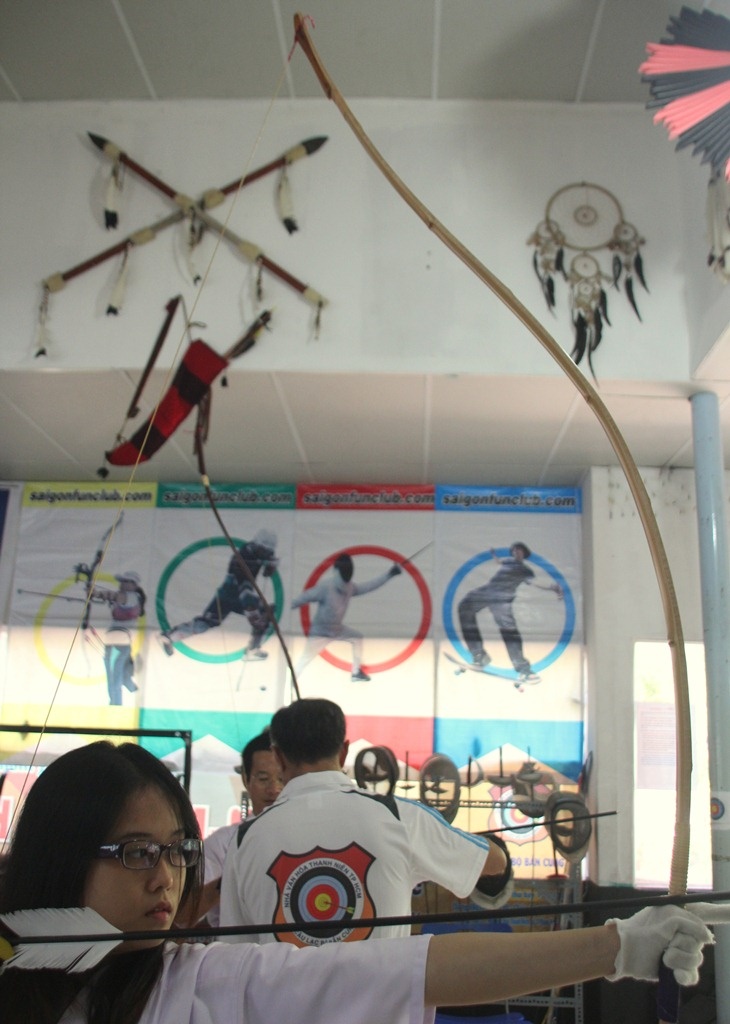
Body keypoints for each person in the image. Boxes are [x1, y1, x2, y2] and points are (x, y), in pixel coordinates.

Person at [0, 740, 717, 1024]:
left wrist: (615, 945)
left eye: (176, 850)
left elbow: (403, 968)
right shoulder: (394, 814)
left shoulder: (203, 979)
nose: (165, 875)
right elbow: (490, 874)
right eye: (136, 852)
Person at [220, 698, 515, 946]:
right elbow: (494, 862)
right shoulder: (400, 817)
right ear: (344, 751)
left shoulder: (245, 838)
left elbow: (234, 954)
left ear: (278, 756)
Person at [186, 731, 283, 929]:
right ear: (246, 779)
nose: (273, 789)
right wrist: (235, 877)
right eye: (263, 778)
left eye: (282, 779)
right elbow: (185, 915)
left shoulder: (306, 836)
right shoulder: (222, 842)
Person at [158, 529, 278, 658]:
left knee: (267, 612)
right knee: (203, 625)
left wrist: (270, 566)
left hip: (240, 595)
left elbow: (267, 569)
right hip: (228, 596)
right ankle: (169, 637)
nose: (265, 553)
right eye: (263, 550)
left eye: (267, 551)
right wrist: (251, 610)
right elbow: (242, 584)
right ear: (257, 546)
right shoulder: (242, 556)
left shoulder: (257, 553)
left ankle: (253, 648)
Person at [457, 542, 561, 683]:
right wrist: (493, 554)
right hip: (487, 591)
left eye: (519, 550)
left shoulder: (525, 570)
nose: (516, 552)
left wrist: (551, 587)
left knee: (508, 629)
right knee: (464, 607)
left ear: (524, 553)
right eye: (514, 550)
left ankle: (523, 669)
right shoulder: (508, 562)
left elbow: (535, 582)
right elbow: (498, 562)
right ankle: (479, 655)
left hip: (502, 597)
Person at [291, 552, 402, 681]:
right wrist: (284, 606)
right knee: (303, 661)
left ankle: (356, 673)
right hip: (320, 633)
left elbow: (369, 586)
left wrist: (389, 574)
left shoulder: (349, 587)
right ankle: (290, 683)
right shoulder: (326, 587)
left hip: (336, 629)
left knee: (357, 638)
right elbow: (304, 598)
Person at [90, 570, 145, 706]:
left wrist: (97, 593)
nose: (121, 584)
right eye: (121, 582)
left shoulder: (132, 597)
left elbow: (115, 596)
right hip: (117, 640)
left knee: (114, 676)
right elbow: (114, 597)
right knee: (121, 674)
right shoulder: (129, 596)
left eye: (125, 582)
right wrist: (95, 594)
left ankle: (116, 704)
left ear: (133, 585)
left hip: (118, 641)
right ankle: (128, 693)